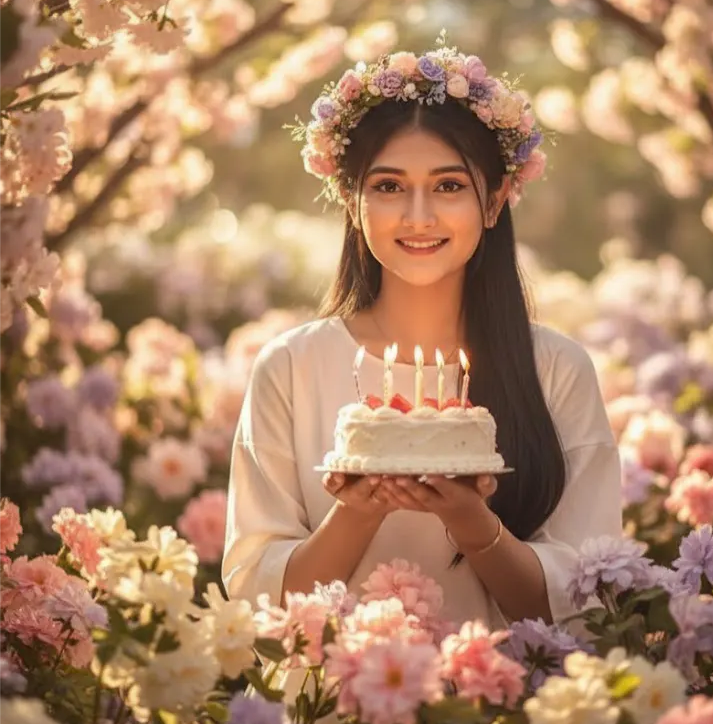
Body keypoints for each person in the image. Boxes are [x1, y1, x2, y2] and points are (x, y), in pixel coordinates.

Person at [222, 45, 623, 635]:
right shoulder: (292, 367)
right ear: (351, 202)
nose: (417, 216)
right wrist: (355, 512)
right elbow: (262, 598)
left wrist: (471, 522)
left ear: (493, 201)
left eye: (448, 187)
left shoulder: (554, 369)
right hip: (337, 707)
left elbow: (583, 600)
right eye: (388, 187)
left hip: (507, 717)